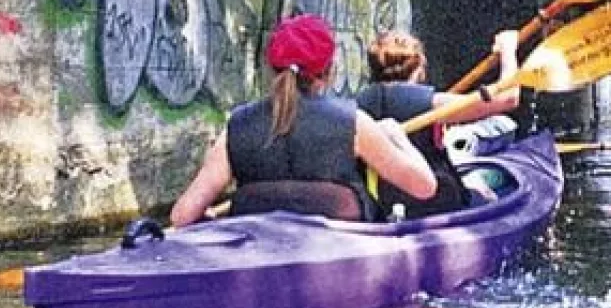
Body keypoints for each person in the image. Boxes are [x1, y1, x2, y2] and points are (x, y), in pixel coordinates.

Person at [169, 13, 436, 227]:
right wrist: (397, 137)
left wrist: (213, 222)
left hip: (258, 258)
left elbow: (181, 216)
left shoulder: (237, 126)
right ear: (329, 70)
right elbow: (424, 187)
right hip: (340, 257)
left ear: (271, 67)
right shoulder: (354, 123)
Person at [355, 28, 521, 219]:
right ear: (419, 69)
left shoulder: (357, 104)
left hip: (378, 208)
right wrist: (508, 50)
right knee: (486, 191)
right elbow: (509, 98)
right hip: (436, 204)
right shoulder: (431, 103)